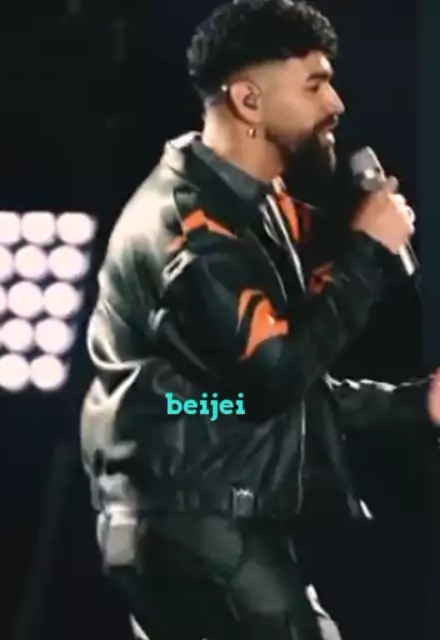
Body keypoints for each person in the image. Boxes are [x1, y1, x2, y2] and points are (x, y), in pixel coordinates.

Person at [81, 1, 440, 638]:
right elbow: (273, 381)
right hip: (195, 532)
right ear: (249, 100)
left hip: (206, 525)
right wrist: (365, 253)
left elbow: (252, 399)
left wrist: (417, 405)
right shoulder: (192, 229)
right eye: (314, 85)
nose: (336, 104)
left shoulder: (254, 208)